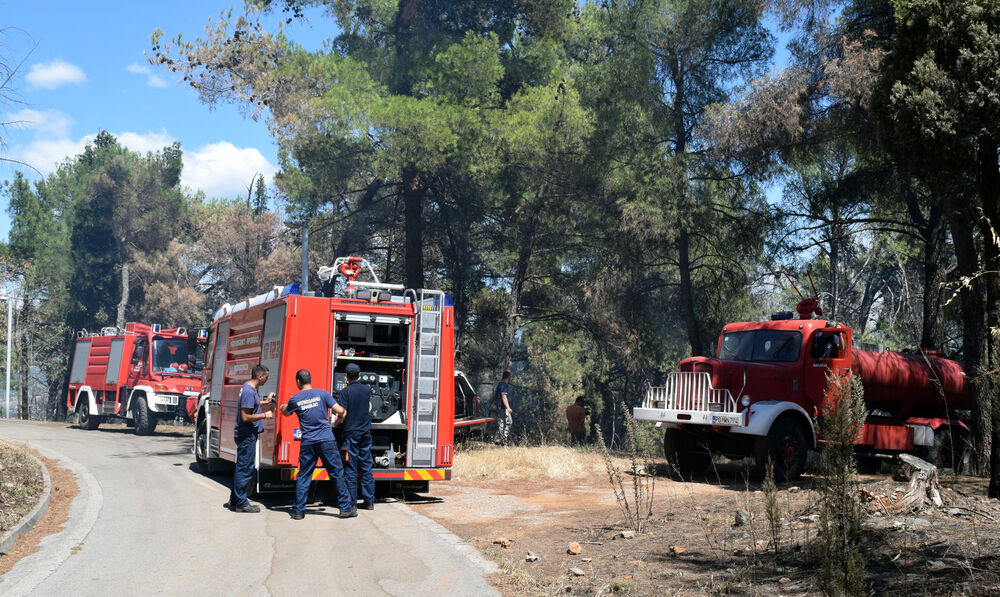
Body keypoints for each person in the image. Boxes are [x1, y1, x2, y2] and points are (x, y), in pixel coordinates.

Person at [280, 369, 356, 520]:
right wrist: (338, 420)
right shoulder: (323, 394)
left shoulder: (295, 399)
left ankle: (299, 511)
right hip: (326, 440)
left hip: (308, 442)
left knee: (304, 475)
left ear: (298, 382)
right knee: (336, 473)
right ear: (310, 380)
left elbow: (286, 413)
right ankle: (345, 508)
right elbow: (342, 411)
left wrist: (282, 405)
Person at [227, 364, 275, 513]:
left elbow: (251, 404)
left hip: (246, 435)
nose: (267, 379)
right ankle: (241, 503)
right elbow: (245, 416)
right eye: (266, 377)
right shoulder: (249, 391)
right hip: (246, 435)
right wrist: (264, 415)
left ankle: (234, 500)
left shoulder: (249, 388)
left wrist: (265, 403)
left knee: (242, 467)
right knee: (245, 469)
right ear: (260, 377)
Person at [336, 363, 376, 510]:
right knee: (366, 467)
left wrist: (337, 421)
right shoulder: (367, 390)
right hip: (366, 433)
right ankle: (369, 502)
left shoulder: (345, 392)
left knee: (351, 469)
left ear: (346, 375)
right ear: (359, 375)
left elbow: (343, 413)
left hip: (351, 434)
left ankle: (352, 504)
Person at [493, 371, 513, 445]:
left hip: (500, 407)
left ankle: (499, 440)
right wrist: (508, 408)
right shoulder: (503, 385)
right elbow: (504, 397)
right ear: (508, 377)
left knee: (501, 423)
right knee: (509, 422)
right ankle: (504, 440)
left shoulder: (500, 384)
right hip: (503, 408)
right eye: (510, 377)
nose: (510, 379)